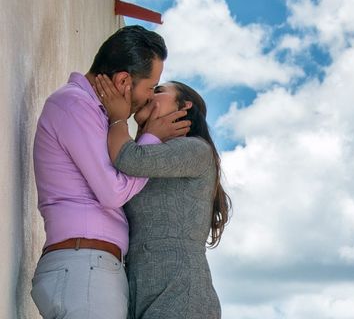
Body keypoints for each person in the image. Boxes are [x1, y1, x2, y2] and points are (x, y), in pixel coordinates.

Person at [31, 26, 190, 319]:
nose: (149, 97)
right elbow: (113, 191)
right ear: (124, 81)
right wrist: (150, 141)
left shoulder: (93, 113)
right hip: (85, 266)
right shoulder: (74, 106)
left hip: (89, 267)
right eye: (150, 87)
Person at [94, 75, 231, 319]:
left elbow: (129, 158)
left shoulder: (196, 149)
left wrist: (117, 117)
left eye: (158, 90)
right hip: (141, 288)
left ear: (184, 106)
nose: (148, 95)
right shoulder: (153, 156)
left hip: (181, 292)